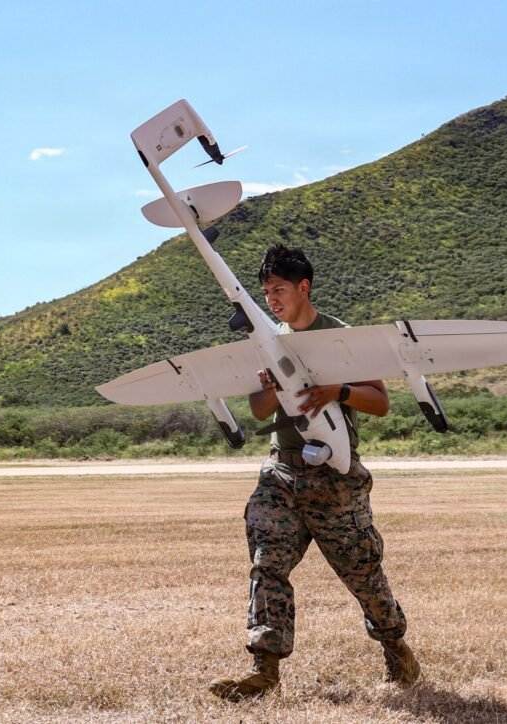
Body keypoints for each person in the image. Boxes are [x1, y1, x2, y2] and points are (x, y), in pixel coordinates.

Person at [208, 243, 421, 701]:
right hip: (281, 474)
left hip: (334, 479)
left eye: (279, 289)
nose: (272, 299)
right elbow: (261, 410)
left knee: (362, 572)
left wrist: (336, 391)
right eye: (266, 292)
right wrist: (269, 387)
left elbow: (380, 402)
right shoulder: (269, 338)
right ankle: (263, 670)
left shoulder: (340, 336)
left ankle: (395, 646)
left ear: (304, 287)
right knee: (268, 564)